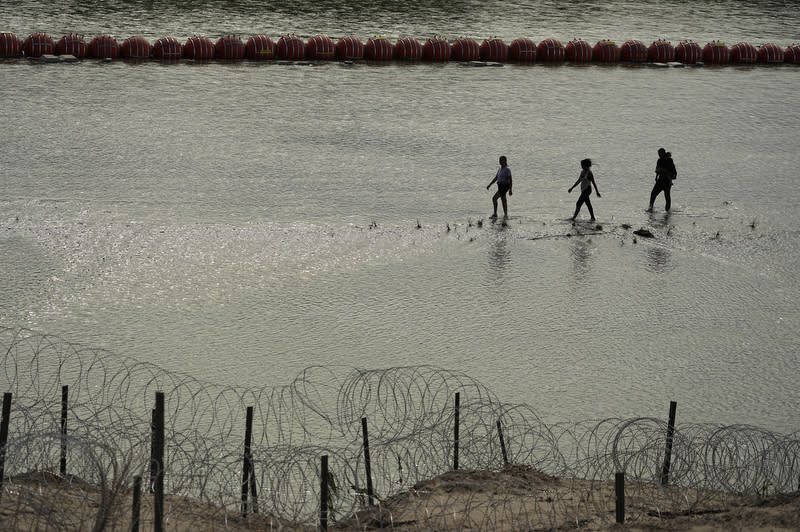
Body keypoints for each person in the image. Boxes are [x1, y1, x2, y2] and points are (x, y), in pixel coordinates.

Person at [647, 148, 677, 212]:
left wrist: (672, 176)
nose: (659, 155)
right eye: (658, 154)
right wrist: (656, 176)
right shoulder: (659, 160)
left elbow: (673, 170)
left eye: (659, 153)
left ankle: (667, 210)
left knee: (665, 195)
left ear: (662, 153)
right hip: (661, 180)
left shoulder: (669, 160)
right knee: (654, 194)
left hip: (666, 180)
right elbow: (657, 169)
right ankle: (651, 208)